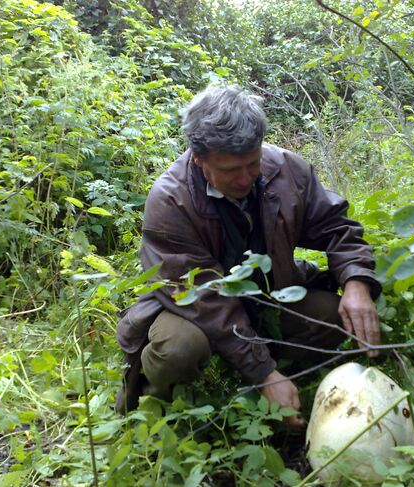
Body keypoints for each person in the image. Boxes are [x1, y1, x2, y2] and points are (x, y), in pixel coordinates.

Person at [115, 84, 381, 427]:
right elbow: (206, 301)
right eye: (230, 171)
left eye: (252, 164)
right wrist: (264, 372)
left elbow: (335, 225)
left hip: (265, 295)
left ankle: (285, 381)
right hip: (194, 309)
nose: (245, 179)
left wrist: (357, 281)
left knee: (332, 316)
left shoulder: (286, 169)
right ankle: (156, 409)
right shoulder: (170, 200)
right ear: (198, 157)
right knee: (179, 350)